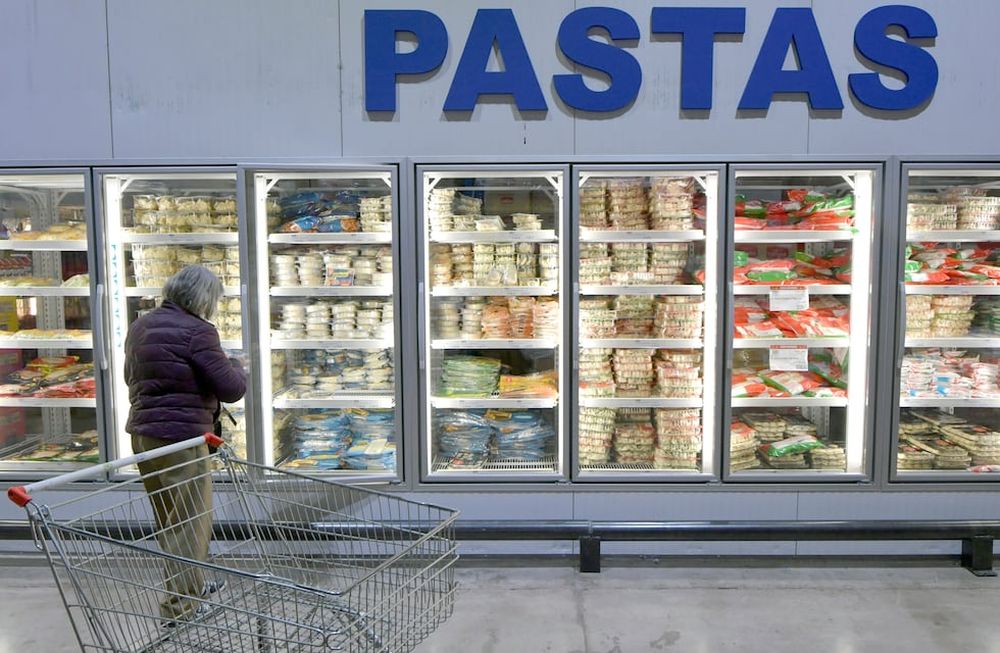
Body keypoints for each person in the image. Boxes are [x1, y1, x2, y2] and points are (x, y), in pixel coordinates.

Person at [124, 264, 247, 622]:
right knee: (191, 525)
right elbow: (231, 389)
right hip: (181, 440)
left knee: (170, 523)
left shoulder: (141, 326)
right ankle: (180, 608)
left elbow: (131, 376)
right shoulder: (198, 331)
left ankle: (189, 586)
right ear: (203, 298)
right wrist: (237, 365)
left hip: (144, 436)